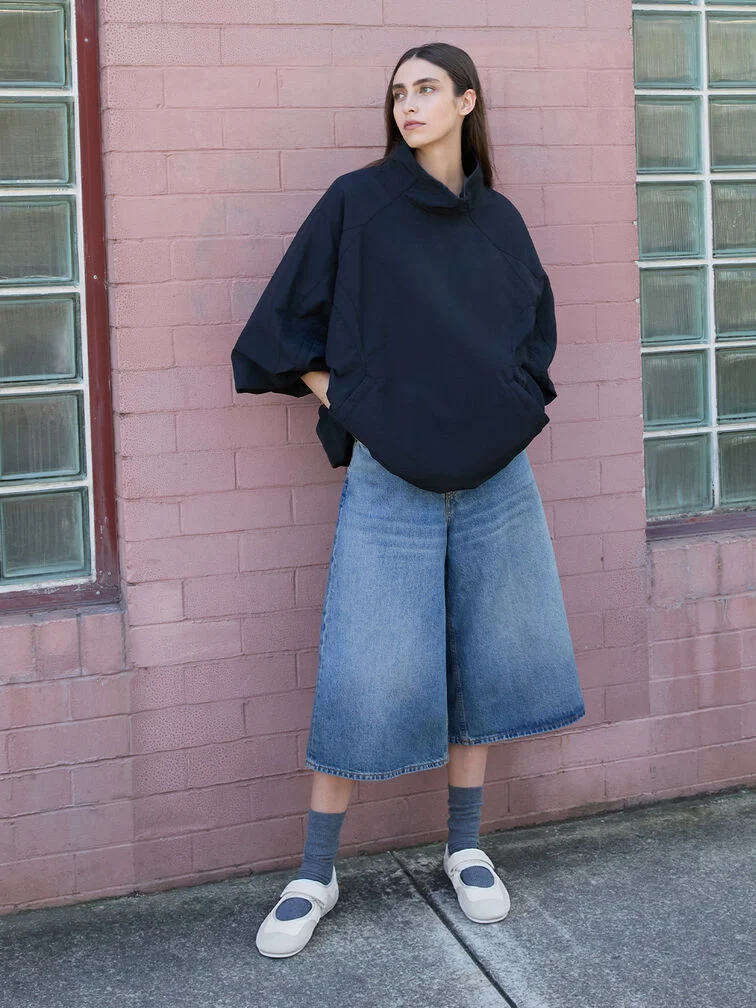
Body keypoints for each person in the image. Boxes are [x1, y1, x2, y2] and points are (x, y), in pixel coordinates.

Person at [231, 41, 585, 958]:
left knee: (490, 657)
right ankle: (316, 871)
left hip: (497, 476)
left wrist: (511, 409)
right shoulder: (359, 205)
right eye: (397, 93)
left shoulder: (500, 221)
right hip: (392, 476)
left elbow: (534, 339)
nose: (408, 105)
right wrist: (345, 400)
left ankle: (465, 849)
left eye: (426, 89)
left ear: (468, 101)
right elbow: (277, 328)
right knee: (365, 663)